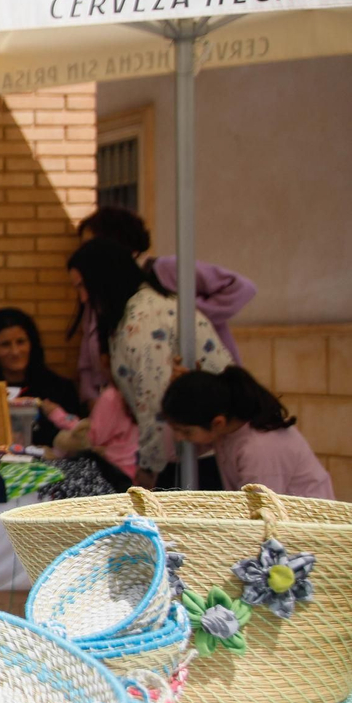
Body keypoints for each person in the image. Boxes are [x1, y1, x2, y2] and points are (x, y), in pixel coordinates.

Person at [67, 238, 232, 487]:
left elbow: (155, 403)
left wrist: (147, 472)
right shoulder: (148, 307)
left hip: (194, 457)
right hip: (196, 451)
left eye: (82, 286)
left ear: (102, 279)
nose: (83, 299)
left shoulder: (140, 322)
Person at [75, 206, 255, 402]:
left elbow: (241, 288)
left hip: (200, 392)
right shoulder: (99, 292)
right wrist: (93, 398)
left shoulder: (167, 269)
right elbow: (88, 354)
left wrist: (187, 316)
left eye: (91, 245)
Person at [162, 367, 335, 499]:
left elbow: (260, 512)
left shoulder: (260, 448)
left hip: (303, 536)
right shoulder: (227, 429)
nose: (179, 437)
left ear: (218, 423)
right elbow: (173, 454)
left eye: (185, 431)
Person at [0, 307, 81, 445]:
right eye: (5, 344)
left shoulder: (61, 389)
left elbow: (78, 439)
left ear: (32, 344)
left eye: (21, 342)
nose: (15, 352)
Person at [38, 350, 138, 495]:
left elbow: (89, 437)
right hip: (132, 472)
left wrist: (56, 414)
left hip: (114, 475)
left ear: (104, 361)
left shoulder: (111, 396)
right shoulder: (135, 392)